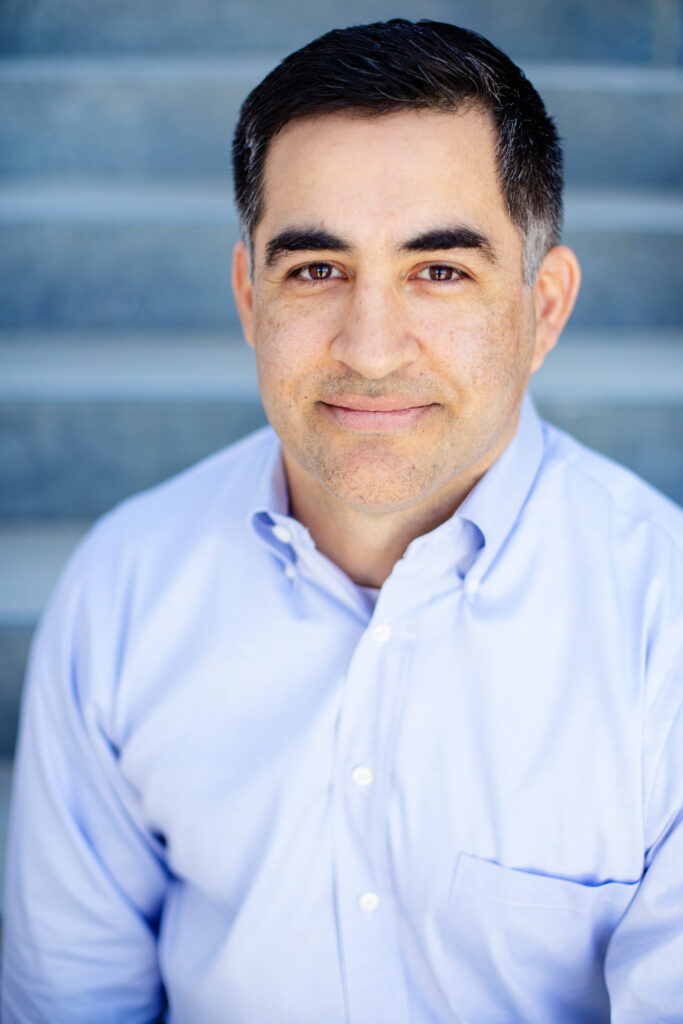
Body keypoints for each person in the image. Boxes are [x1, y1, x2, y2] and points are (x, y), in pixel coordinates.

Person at [2, 18, 682, 1024]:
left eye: (439, 271)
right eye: (316, 269)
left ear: (542, 309)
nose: (368, 348)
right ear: (250, 299)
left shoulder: (664, 623)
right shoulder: (125, 585)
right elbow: (70, 1000)